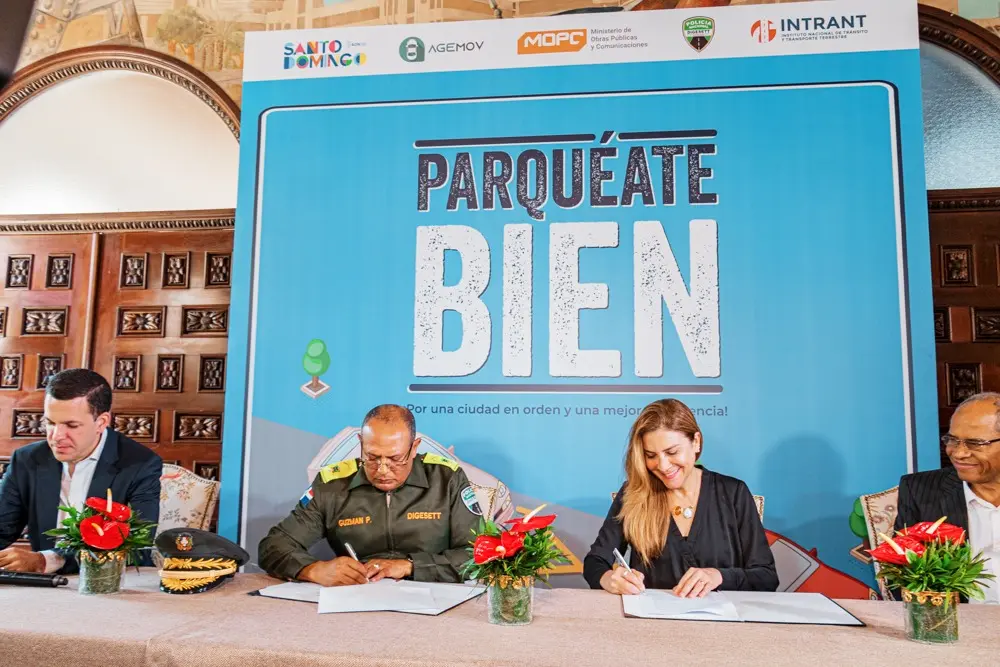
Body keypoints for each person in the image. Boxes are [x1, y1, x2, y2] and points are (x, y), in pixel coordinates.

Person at [258, 404, 481, 585]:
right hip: (357, 599)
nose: (382, 470)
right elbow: (273, 546)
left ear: (414, 448)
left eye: (395, 459)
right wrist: (313, 570)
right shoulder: (332, 485)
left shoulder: (446, 479)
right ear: (360, 444)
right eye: (372, 457)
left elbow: (477, 555)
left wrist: (410, 566)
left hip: (435, 598)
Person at [584, 398, 778, 597]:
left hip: (725, 616)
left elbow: (766, 577)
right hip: (652, 616)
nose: (663, 466)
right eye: (651, 455)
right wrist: (609, 578)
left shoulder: (733, 493)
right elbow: (595, 561)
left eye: (672, 452)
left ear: (696, 442)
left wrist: (718, 576)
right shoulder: (633, 494)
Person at [0, 368, 162, 574]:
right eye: (50, 423)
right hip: (43, 585)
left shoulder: (140, 464)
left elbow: (137, 546)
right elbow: (3, 528)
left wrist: (46, 560)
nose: (56, 436)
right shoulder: (27, 459)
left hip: (113, 581)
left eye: (71, 425)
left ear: (101, 422)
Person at [894, 392, 1000, 604]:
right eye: (952, 440)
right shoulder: (921, 490)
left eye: (975, 443)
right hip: (954, 619)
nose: (958, 453)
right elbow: (901, 575)